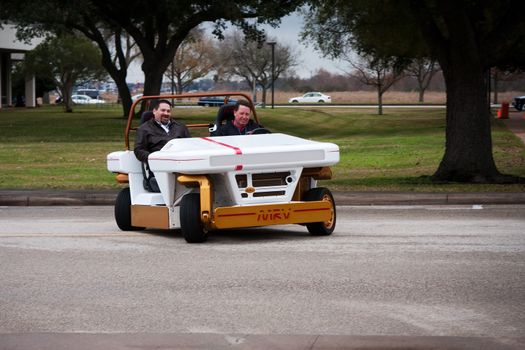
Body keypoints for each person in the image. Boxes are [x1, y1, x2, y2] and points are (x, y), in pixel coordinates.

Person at [134, 99, 190, 164]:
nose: (166, 113)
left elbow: (189, 145)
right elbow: (139, 150)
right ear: (154, 111)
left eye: (168, 111)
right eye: (163, 110)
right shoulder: (144, 129)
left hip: (182, 162)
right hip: (158, 166)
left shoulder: (180, 127)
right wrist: (153, 158)